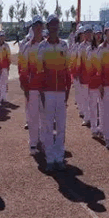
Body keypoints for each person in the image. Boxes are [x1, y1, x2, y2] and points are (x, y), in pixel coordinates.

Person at [37, 15, 71, 171]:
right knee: (48, 125)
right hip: (48, 92)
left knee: (62, 126)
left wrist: (67, 91)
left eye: (56, 25)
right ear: (48, 27)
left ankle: (60, 156)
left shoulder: (64, 45)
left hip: (61, 91)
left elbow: (67, 71)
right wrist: (42, 93)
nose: (54, 28)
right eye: (52, 25)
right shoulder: (42, 48)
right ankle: (50, 158)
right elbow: (39, 73)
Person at [19, 16, 45, 155]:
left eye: (40, 26)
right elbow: (23, 69)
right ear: (32, 28)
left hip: (46, 88)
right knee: (33, 116)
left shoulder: (47, 45)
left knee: (45, 116)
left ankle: (43, 140)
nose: (38, 28)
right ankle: (33, 143)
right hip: (33, 87)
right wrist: (25, 87)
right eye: (36, 26)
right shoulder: (27, 47)